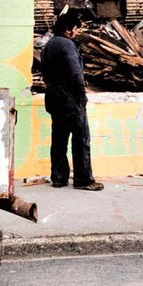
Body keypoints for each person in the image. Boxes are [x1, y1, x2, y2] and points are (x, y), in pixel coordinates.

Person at [42, 11, 103, 191]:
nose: (77, 32)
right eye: (76, 29)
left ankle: (59, 177)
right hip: (70, 98)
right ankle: (83, 179)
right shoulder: (67, 45)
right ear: (68, 29)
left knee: (59, 139)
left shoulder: (49, 45)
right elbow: (76, 73)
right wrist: (81, 95)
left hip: (53, 97)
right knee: (81, 138)